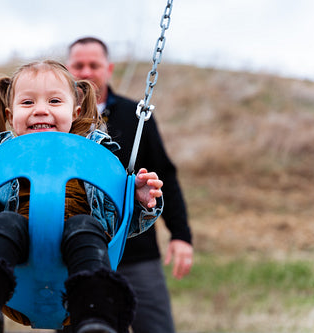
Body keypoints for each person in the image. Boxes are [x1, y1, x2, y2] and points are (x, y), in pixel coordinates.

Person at [0, 60, 166, 333]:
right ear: (10, 114)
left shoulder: (96, 156)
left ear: (75, 111)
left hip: (74, 280)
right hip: (16, 284)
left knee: (86, 226)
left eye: (54, 101)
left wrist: (140, 202)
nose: (41, 110)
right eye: (27, 103)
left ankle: (97, 321)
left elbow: (122, 227)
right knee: (6, 223)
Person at [67, 37, 193, 333]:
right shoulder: (55, 119)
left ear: (108, 68)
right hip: (73, 252)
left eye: (94, 65)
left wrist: (181, 234)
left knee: (156, 327)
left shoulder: (136, 115)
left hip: (136, 250)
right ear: (67, 69)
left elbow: (164, 176)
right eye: (78, 65)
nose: (86, 72)